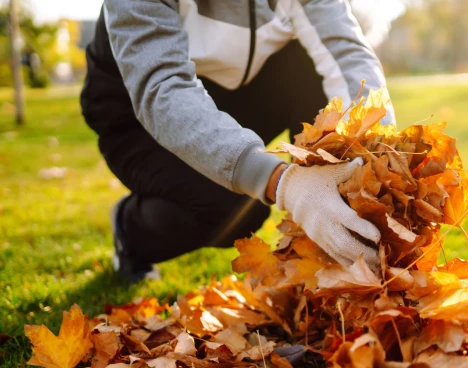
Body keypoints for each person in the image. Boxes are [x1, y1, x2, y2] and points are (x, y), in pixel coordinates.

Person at [81, 0, 395, 282]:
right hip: (136, 116)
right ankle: (129, 230)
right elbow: (161, 88)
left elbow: (347, 58)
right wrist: (283, 183)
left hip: (239, 95)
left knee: (305, 64)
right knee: (234, 208)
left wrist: (371, 158)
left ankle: (330, 258)